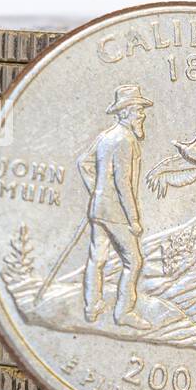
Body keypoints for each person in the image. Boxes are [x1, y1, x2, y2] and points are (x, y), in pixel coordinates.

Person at [78, 84, 154, 329]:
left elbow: (84, 163)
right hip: (117, 215)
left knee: (96, 258)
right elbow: (123, 183)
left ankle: (91, 308)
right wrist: (134, 218)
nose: (142, 114)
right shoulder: (125, 140)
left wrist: (97, 192)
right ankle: (124, 313)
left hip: (98, 209)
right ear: (125, 113)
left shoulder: (105, 136)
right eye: (138, 110)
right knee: (134, 261)